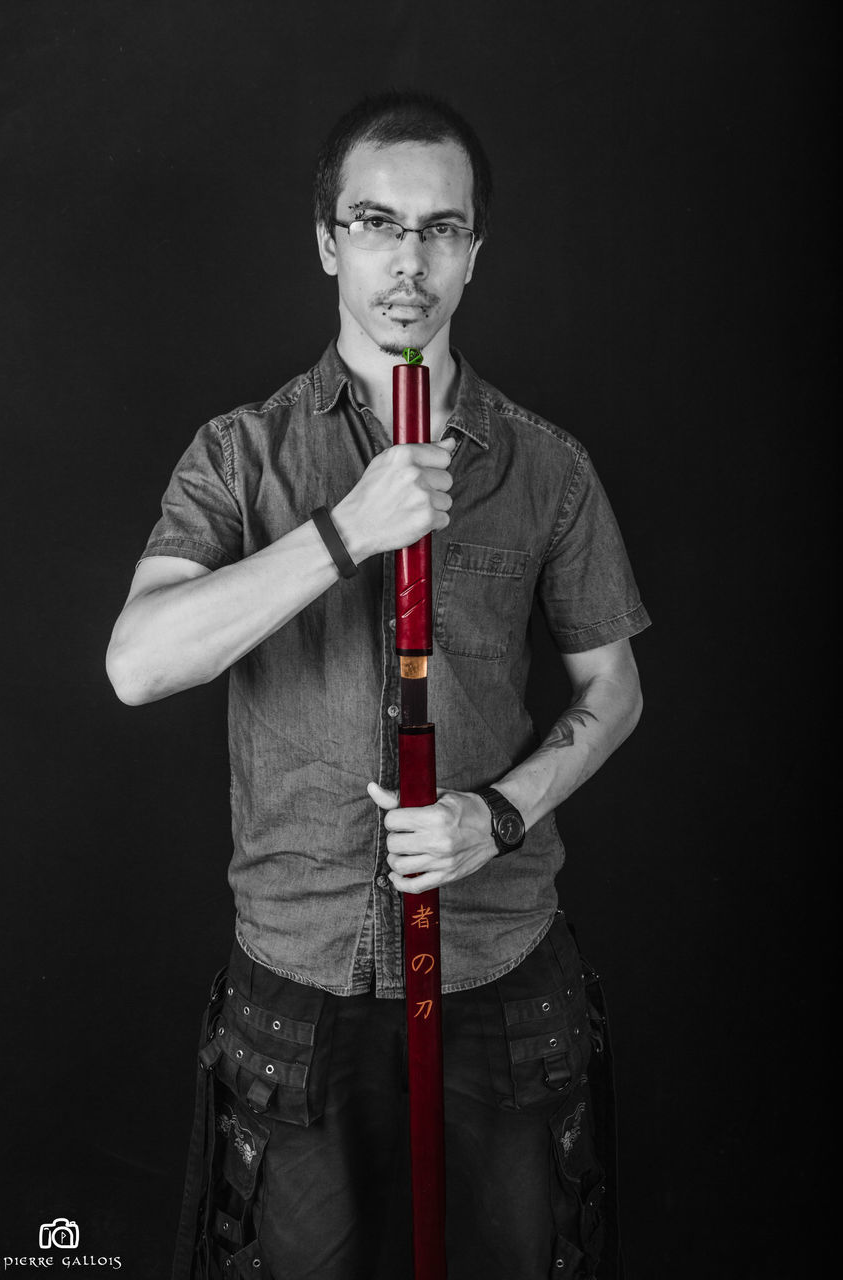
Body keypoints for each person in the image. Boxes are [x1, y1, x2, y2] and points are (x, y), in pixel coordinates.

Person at [107, 91, 650, 1280]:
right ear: (325, 240)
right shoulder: (237, 454)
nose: (409, 259)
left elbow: (613, 689)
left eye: (440, 228)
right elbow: (138, 661)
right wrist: (344, 531)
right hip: (300, 973)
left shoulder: (546, 466)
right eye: (375, 221)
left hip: (498, 963)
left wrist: (496, 813)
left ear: (473, 249)